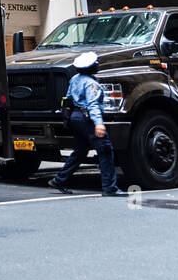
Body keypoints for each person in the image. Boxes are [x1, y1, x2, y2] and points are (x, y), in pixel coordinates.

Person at [49, 50, 127, 196]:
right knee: (105, 149)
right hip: (87, 119)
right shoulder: (92, 84)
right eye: (96, 64)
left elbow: (69, 98)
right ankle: (110, 188)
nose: (98, 65)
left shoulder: (75, 79)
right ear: (91, 67)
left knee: (80, 151)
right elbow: (93, 105)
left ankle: (59, 180)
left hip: (75, 118)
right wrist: (98, 123)